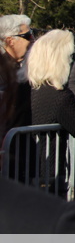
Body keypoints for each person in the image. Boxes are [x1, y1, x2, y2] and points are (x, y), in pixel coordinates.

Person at [28, 30, 75, 195]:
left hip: (28, 168)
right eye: (68, 56)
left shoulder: (30, 88)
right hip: (50, 172)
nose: (71, 60)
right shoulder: (59, 95)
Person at [0, 14, 35, 182]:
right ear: (10, 41)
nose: (32, 39)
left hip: (20, 153)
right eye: (27, 36)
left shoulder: (18, 68)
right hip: (9, 157)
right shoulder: (3, 71)